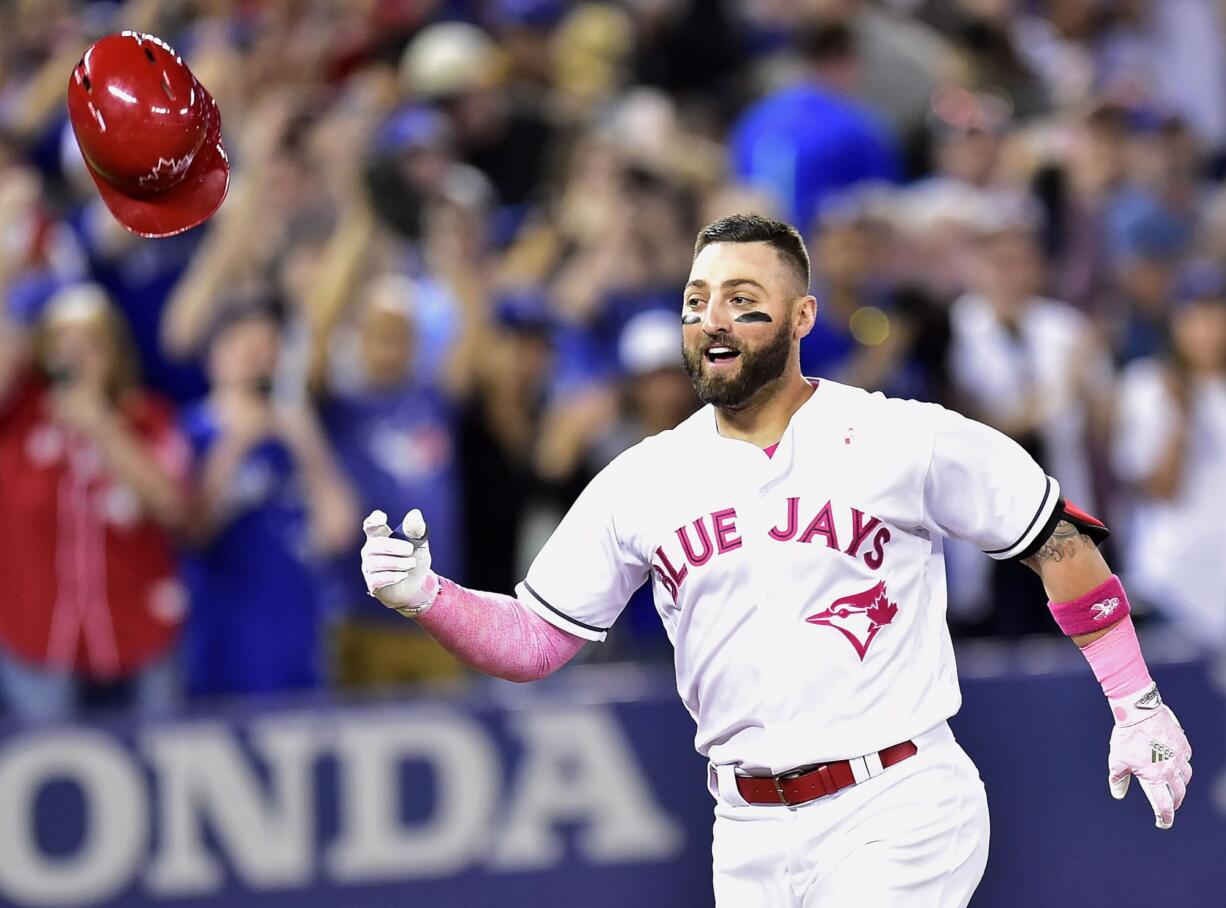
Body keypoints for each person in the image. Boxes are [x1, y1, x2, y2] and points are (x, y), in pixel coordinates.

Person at [361, 212, 1192, 906]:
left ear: (802, 318)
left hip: (898, 802)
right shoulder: (643, 479)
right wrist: (428, 596)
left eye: (742, 299)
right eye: (697, 300)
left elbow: (1056, 539)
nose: (712, 318)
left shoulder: (900, 435)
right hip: (748, 830)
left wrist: (1137, 702)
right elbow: (538, 639)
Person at [0, 285, 188, 718]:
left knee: (155, 770)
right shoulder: (18, 420)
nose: (76, 357)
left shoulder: (147, 419)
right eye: (62, 346)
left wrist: (101, 425)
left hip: (140, 636)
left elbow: (173, 508)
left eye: (91, 345)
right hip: (37, 640)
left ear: (115, 355)